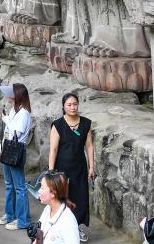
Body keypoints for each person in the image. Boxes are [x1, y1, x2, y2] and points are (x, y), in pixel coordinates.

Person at [47, 93, 94, 239]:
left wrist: (92, 166)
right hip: (62, 169)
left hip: (80, 167)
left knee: (80, 198)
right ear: (63, 106)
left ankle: (76, 228)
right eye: (69, 105)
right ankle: (60, 230)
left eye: (75, 104)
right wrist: (50, 171)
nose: (73, 107)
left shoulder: (86, 123)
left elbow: (90, 146)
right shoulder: (58, 125)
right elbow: (53, 149)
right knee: (63, 199)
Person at [0, 83, 32, 232]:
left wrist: (7, 121)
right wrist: (1, 146)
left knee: (19, 187)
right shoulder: (14, 110)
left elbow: (18, 131)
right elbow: (9, 133)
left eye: (11, 94)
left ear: (17, 96)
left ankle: (23, 220)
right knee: (9, 184)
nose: (8, 96)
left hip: (16, 148)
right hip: (8, 146)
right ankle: (11, 215)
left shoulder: (24, 112)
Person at [35, 171, 81, 244]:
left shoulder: (68, 221)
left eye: (42, 188)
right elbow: (40, 233)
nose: (39, 191)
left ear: (53, 193)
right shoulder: (48, 209)